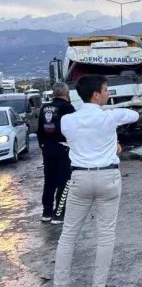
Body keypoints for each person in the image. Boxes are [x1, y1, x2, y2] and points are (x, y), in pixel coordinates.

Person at [53, 75, 139, 287]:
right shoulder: (109, 116)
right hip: (108, 177)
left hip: (79, 177)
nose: (108, 94)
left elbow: (77, 138)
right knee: (106, 235)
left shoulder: (67, 120)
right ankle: (98, 284)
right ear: (96, 95)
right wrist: (110, 116)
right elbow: (135, 115)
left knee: (69, 234)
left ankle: (60, 283)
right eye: (106, 90)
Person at [37, 82, 76, 224]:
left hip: (47, 148)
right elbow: (74, 128)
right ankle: (58, 214)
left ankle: (46, 212)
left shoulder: (44, 107)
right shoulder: (67, 107)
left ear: (53, 93)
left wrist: (43, 145)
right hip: (63, 148)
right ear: (66, 93)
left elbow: (40, 130)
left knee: (49, 181)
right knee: (64, 181)